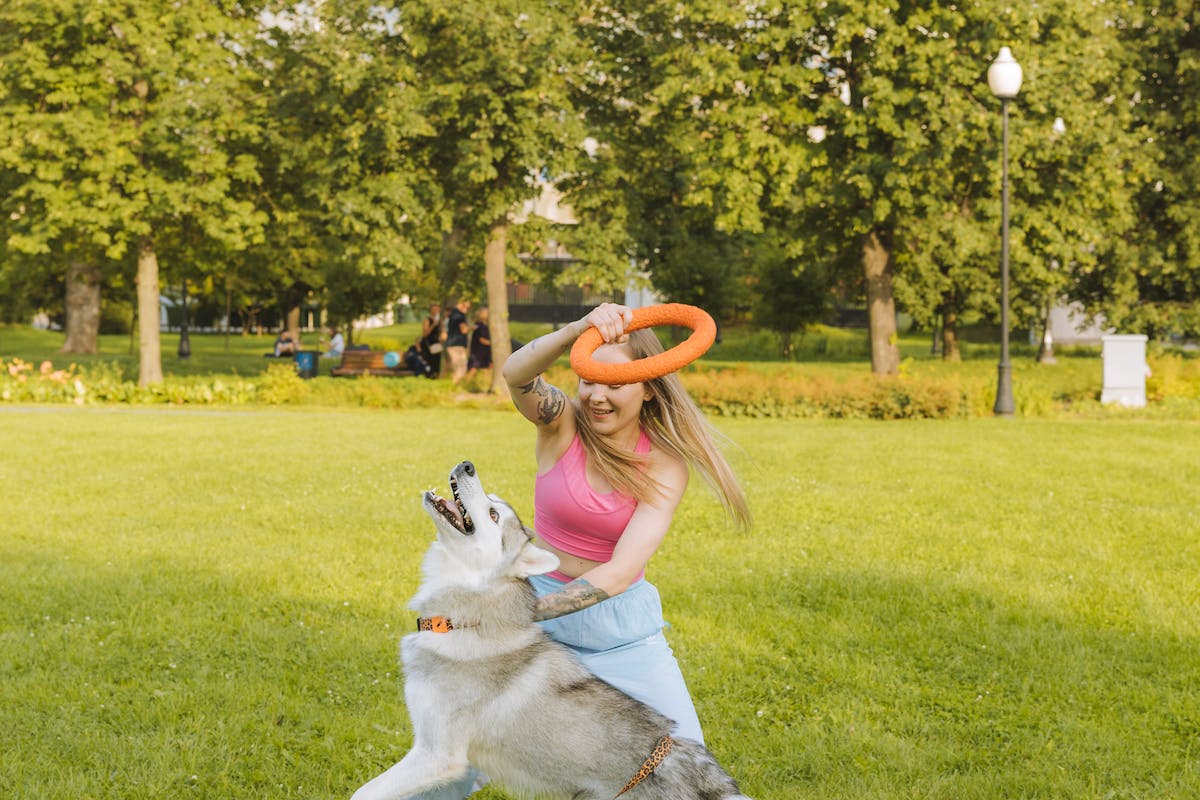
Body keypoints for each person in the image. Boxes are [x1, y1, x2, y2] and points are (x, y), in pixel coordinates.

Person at [401, 303, 749, 800]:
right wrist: (577, 330)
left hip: (619, 636)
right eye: (590, 378)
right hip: (531, 634)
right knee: (450, 758)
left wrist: (518, 613)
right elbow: (516, 373)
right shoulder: (560, 424)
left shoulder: (665, 467)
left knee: (686, 772)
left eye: (616, 382)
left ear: (647, 386)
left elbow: (620, 571)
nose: (598, 396)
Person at [444, 298, 471, 384]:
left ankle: (453, 385)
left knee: (453, 366)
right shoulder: (459, 315)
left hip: (452, 343)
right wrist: (472, 327)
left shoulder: (452, 313)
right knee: (460, 367)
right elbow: (464, 330)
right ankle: (455, 385)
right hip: (457, 344)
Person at [464, 307, 491, 382]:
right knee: (473, 369)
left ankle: (486, 384)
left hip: (485, 351)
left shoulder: (486, 325)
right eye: (486, 313)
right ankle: (465, 383)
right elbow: (482, 340)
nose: (488, 314)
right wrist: (494, 344)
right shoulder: (479, 325)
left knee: (487, 368)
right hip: (478, 352)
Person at [419, 302, 444, 378]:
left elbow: (442, 332)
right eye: (434, 309)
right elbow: (425, 334)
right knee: (430, 360)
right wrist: (433, 325)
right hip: (428, 343)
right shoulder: (427, 320)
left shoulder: (440, 321)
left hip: (436, 343)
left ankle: (435, 375)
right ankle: (428, 375)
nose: (436, 311)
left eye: (437, 309)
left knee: (437, 360)